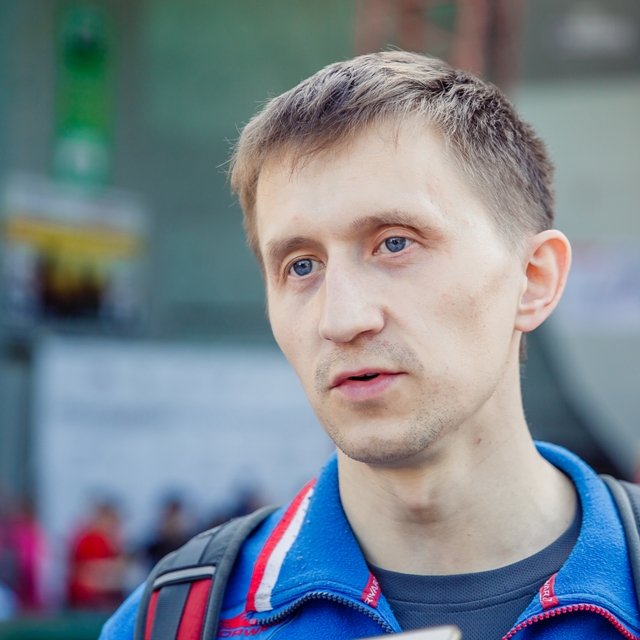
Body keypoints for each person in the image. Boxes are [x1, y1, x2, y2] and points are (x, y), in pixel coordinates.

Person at [100, 52, 640, 639]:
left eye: (395, 243)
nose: (342, 319)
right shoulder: (174, 621)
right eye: (301, 265)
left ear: (533, 279)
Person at [68, 501, 125, 611]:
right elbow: (86, 576)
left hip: (100, 602)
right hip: (87, 603)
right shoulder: (91, 540)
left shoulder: (107, 542)